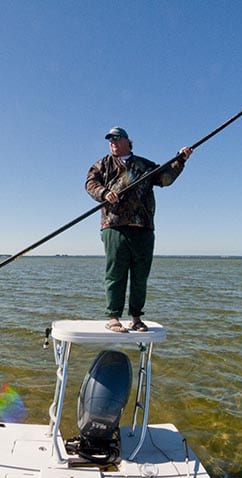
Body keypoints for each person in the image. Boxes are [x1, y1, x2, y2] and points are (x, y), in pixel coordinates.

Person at [85, 126, 193, 333]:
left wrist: (181, 160)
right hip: (114, 226)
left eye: (117, 138)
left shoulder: (145, 165)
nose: (113, 142)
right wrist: (104, 192)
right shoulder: (102, 165)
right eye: (110, 140)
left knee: (140, 276)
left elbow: (165, 178)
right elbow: (90, 184)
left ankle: (136, 318)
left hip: (143, 228)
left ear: (127, 141)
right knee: (115, 273)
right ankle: (113, 317)